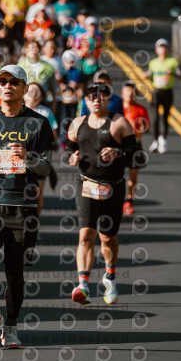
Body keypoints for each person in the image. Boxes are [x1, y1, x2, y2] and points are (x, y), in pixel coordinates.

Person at [0, 65, 54, 347]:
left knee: (14, 270)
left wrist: (28, 157)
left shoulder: (39, 124)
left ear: (25, 88)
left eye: (14, 82)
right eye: (2, 81)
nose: (7, 86)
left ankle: (12, 326)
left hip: (21, 206)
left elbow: (46, 167)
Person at [66, 82, 139, 305]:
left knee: (107, 237)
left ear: (108, 99)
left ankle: (110, 277)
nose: (96, 99)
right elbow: (68, 150)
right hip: (87, 185)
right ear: (86, 101)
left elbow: (137, 156)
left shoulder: (120, 123)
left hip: (113, 187)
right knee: (85, 235)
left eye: (101, 95)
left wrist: (118, 152)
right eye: (91, 96)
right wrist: (72, 157)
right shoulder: (77, 123)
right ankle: (83, 285)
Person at [23, 82, 58, 215]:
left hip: (38, 159)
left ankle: (34, 222)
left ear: (41, 96)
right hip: (18, 159)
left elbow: (53, 134)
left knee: (36, 194)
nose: (33, 94)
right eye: (30, 90)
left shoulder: (46, 112)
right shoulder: (16, 110)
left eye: (36, 91)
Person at [144, 38, 181, 154]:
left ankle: (163, 139)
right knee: (155, 117)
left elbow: (180, 75)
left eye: (165, 47)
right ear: (157, 50)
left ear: (168, 49)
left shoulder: (173, 61)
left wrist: (172, 73)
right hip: (156, 92)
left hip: (168, 92)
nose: (163, 49)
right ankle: (155, 140)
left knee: (166, 117)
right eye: (161, 47)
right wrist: (145, 75)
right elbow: (150, 74)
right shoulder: (153, 63)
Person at [121, 80, 150, 216]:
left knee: (134, 173)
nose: (130, 94)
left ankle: (129, 201)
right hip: (120, 144)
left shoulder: (141, 109)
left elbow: (147, 128)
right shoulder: (117, 108)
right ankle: (116, 200)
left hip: (135, 144)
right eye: (127, 91)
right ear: (122, 93)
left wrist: (144, 127)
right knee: (117, 174)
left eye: (132, 91)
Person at [17, 39, 57, 113]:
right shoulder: (20, 67)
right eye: (31, 47)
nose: (34, 50)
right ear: (26, 50)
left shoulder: (48, 67)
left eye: (36, 47)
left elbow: (53, 88)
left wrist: (54, 105)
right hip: (25, 104)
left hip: (44, 104)